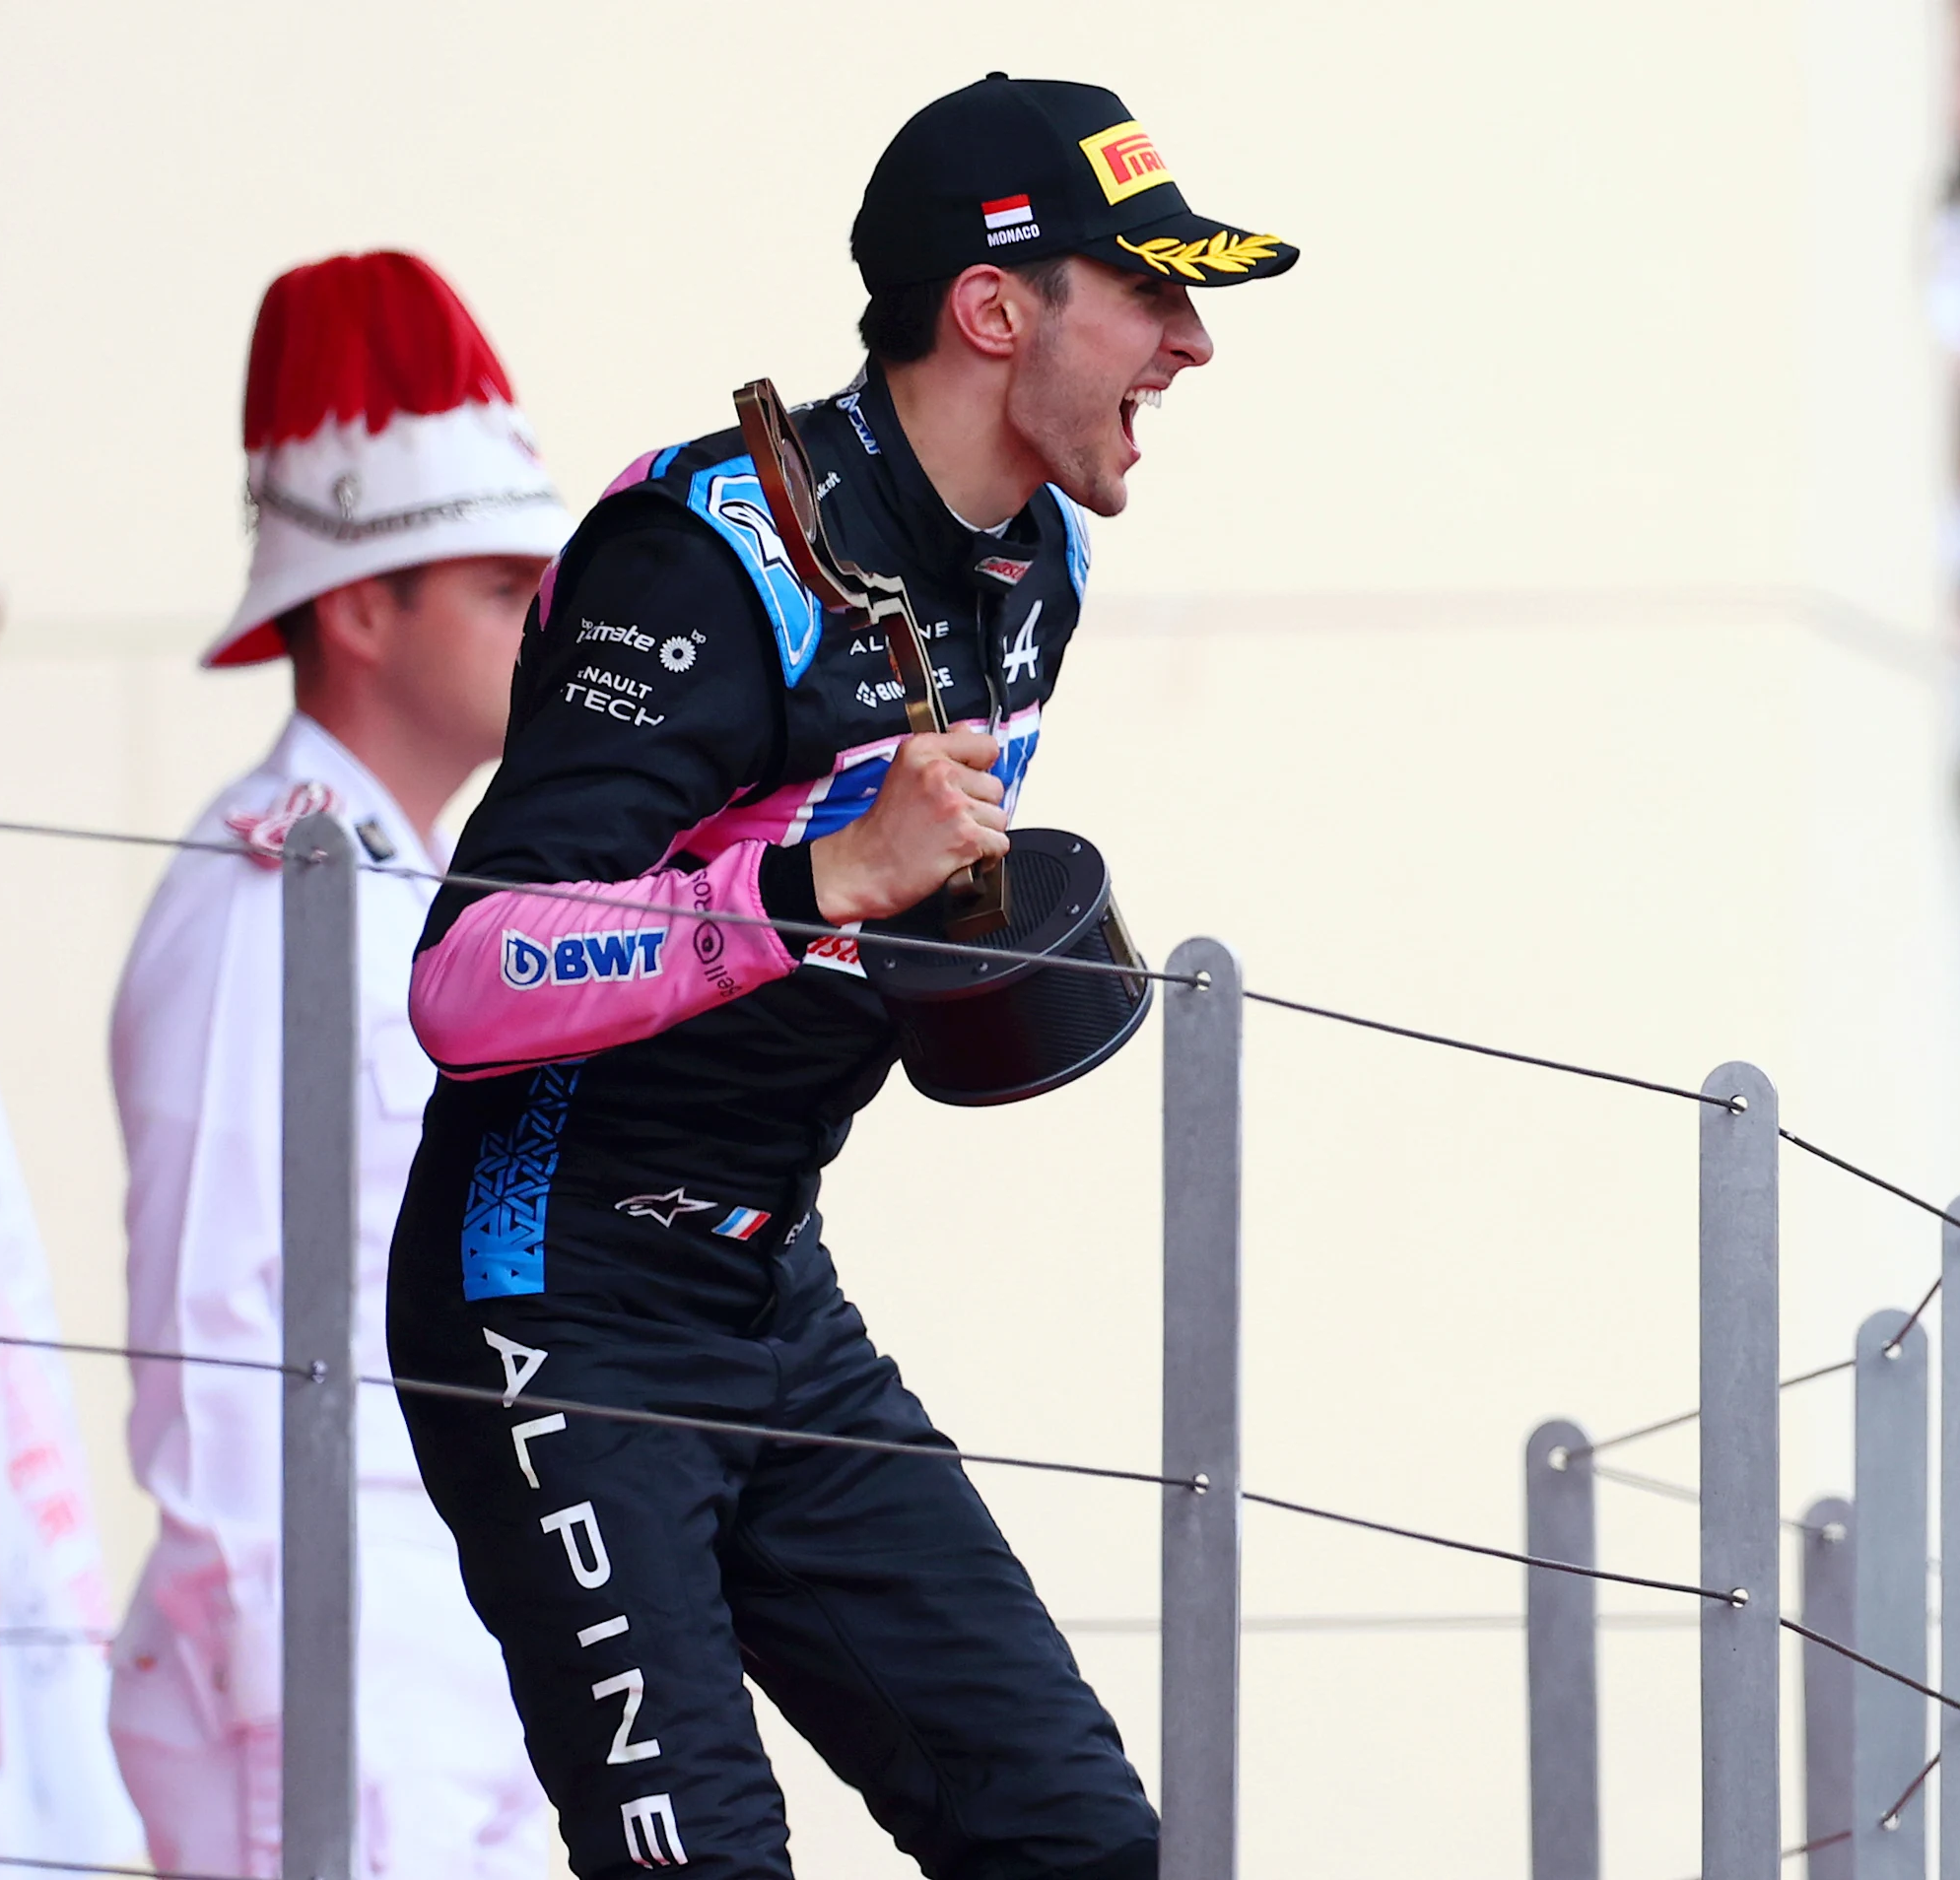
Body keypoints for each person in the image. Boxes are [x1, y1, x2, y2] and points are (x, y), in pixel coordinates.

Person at [382, 76, 1292, 1879]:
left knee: (1083, 1846)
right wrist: (809, 884)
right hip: (549, 1285)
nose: (1190, 344)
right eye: (1152, 294)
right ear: (994, 305)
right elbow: (465, 980)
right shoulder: (707, 554)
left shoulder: (1041, 564)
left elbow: (892, 922)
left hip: (767, 1285)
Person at [107, 251, 564, 1876]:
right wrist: (296, 1709)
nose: (550, 628)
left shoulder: (409, 888)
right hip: (336, 1670)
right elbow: (208, 1330)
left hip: (463, 1636)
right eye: (507, 592)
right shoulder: (260, 901)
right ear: (360, 605)